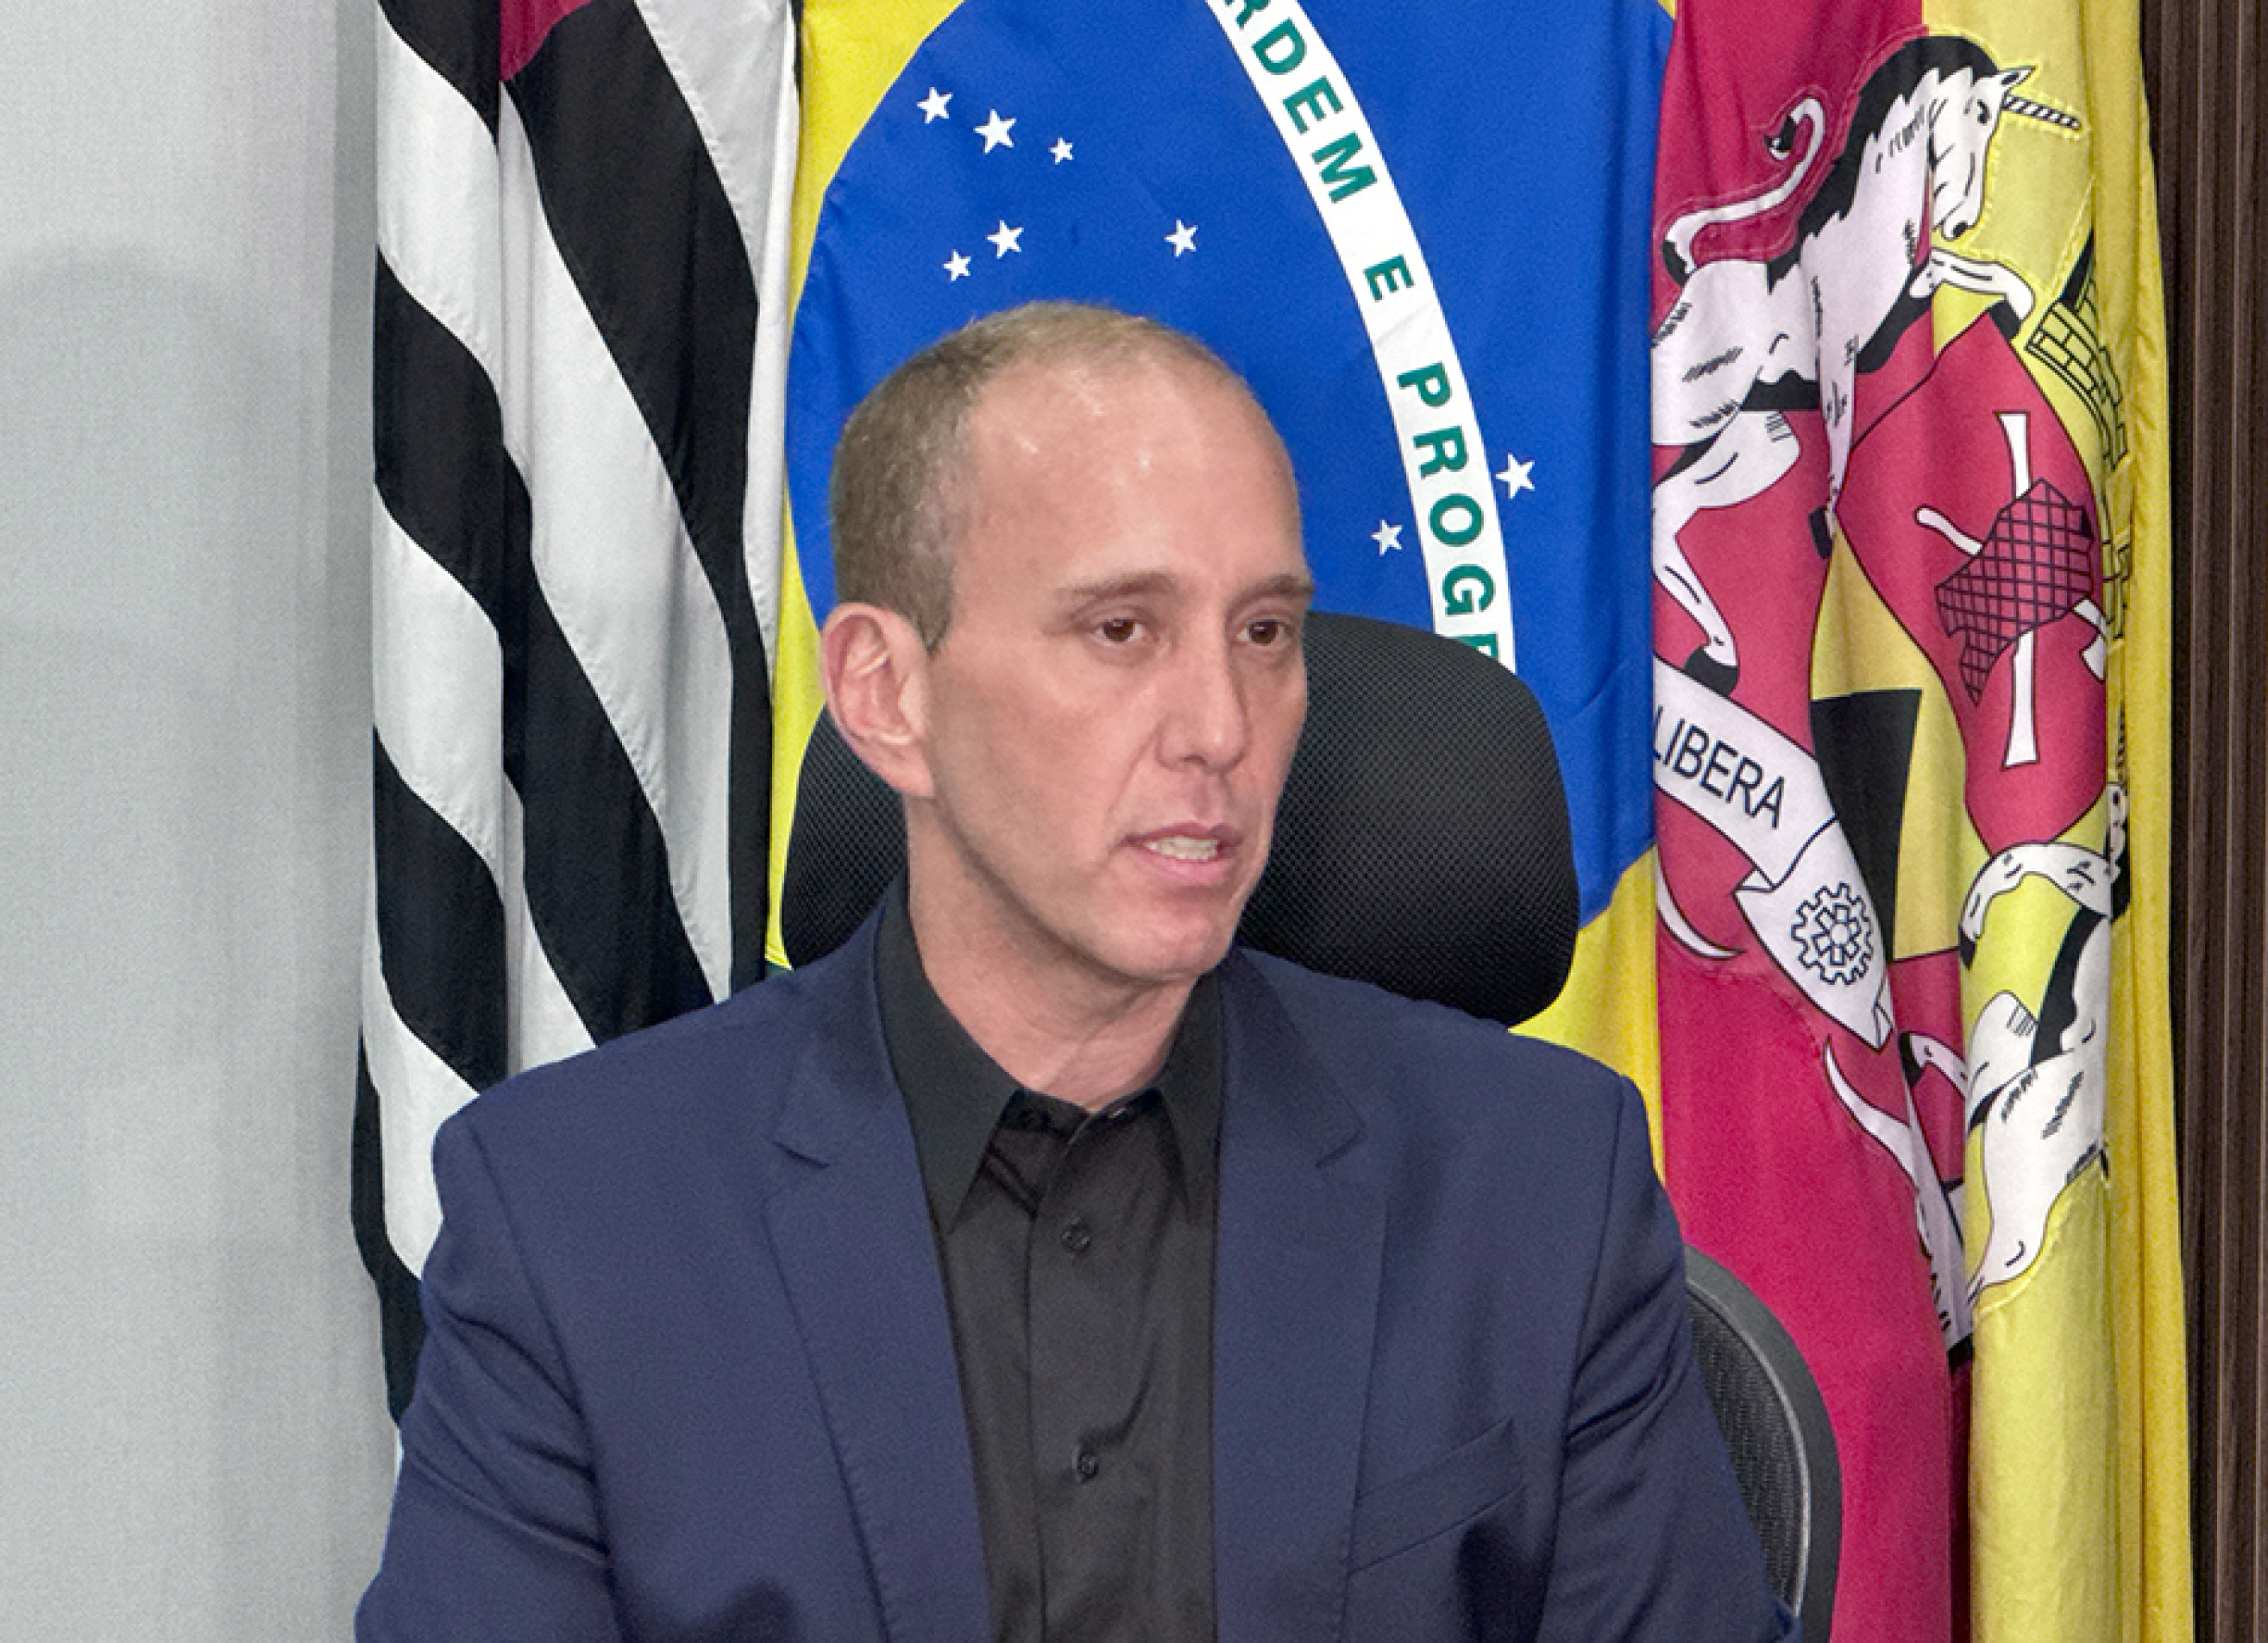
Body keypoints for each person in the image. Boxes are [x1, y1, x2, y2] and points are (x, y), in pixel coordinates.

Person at [359, 302, 1792, 1642]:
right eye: (1120, 631)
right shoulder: (576, 1218)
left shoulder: (1538, 1184)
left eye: (1264, 633)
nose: (1219, 726)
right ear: (885, 694)